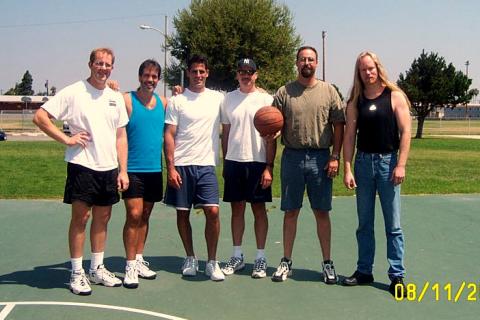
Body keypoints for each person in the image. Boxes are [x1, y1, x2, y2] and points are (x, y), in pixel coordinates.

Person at [33, 47, 128, 295]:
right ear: (90, 64)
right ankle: (77, 272)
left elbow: (120, 135)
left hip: (109, 169)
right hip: (82, 166)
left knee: (103, 218)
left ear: (112, 68)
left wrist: (123, 170)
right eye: (99, 63)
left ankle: (97, 268)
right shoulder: (74, 92)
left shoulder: (115, 96)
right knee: (81, 219)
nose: (103, 68)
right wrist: (66, 140)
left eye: (107, 64)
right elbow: (41, 117)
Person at [271, 46, 345, 283]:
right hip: (292, 156)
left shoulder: (329, 91)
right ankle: (286, 262)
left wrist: (335, 157)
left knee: (321, 212)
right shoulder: (284, 92)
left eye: (311, 59)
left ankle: (327, 263)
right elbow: (272, 123)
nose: (306, 63)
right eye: (303, 59)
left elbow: (339, 126)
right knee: (290, 211)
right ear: (296, 62)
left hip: (321, 158)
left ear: (317, 63)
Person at [342, 51, 411, 297]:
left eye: (371, 68)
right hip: (363, 164)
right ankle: (364, 271)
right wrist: (348, 168)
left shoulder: (395, 96)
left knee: (393, 225)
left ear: (378, 68)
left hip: (388, 164)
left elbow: (405, 132)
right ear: (358, 73)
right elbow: (349, 137)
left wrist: (400, 164)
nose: (368, 72)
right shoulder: (355, 100)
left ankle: (397, 276)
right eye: (363, 69)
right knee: (364, 224)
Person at [163, 54, 225, 281]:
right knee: (183, 213)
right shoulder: (177, 101)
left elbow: (245, 98)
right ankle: (190, 257)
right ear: (188, 73)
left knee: (213, 211)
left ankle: (212, 262)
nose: (198, 75)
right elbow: (168, 135)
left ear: (207, 73)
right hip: (182, 165)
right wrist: (171, 168)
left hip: (206, 164)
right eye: (194, 71)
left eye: (202, 71)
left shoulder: (218, 99)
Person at [220, 58, 275, 279]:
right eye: (242, 71)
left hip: (258, 161)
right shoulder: (228, 99)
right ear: (237, 74)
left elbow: (272, 138)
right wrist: (225, 162)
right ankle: (237, 255)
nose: (246, 75)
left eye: (250, 71)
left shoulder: (266, 99)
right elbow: (225, 133)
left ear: (256, 74)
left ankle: (260, 258)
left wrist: (269, 167)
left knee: (259, 210)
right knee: (237, 210)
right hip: (234, 161)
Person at [121, 59, 167, 288]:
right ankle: (129, 266)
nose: (150, 80)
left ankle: (139, 259)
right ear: (139, 77)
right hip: (132, 170)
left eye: (154, 76)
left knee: (146, 216)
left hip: (154, 169)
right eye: (147, 76)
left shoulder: (164, 103)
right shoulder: (127, 100)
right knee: (134, 214)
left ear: (158, 79)